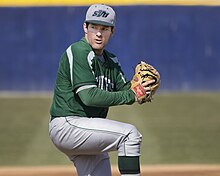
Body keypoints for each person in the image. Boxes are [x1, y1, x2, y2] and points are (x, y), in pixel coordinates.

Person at [49, 4, 154, 176]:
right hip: (67, 123)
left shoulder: (111, 61)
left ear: (112, 31)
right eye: (94, 27)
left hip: (86, 129)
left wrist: (142, 89)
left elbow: (126, 89)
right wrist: (131, 95)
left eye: (104, 28)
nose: (98, 33)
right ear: (85, 27)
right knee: (129, 135)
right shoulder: (79, 51)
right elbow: (89, 97)